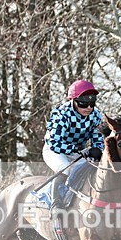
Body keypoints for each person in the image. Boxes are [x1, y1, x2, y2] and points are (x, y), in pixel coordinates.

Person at [42, 79, 105, 208]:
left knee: (95, 170)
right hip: (55, 150)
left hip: (78, 152)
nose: (89, 108)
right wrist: (77, 150)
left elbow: (97, 138)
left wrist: (97, 149)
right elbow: (55, 143)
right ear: (73, 101)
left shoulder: (96, 116)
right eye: (84, 103)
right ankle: (55, 205)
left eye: (92, 103)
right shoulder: (62, 115)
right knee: (65, 169)